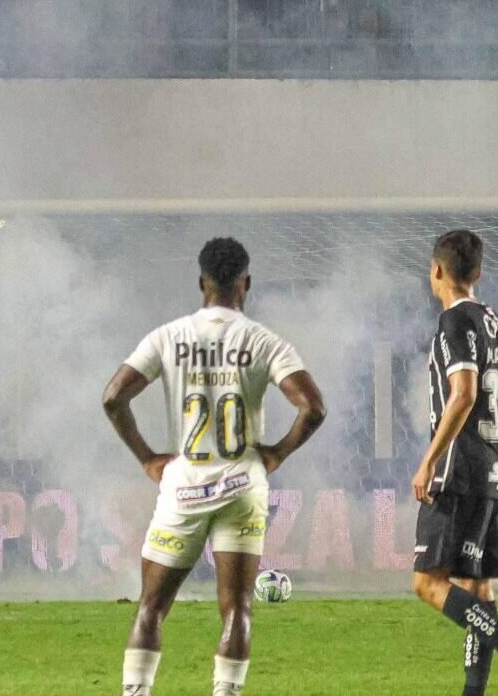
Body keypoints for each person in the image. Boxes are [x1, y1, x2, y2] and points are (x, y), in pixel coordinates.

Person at [101, 235, 326, 696]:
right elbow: (313, 407)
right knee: (238, 608)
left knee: (151, 607)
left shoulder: (168, 336)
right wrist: (278, 452)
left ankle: (136, 692)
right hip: (243, 485)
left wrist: (147, 458)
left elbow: (113, 397)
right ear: (246, 283)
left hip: (182, 487)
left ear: (201, 281)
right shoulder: (264, 341)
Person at [411, 229, 498, 696]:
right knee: (478, 589)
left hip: (461, 470)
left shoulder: (455, 323)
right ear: (479, 272)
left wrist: (429, 461)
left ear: (436, 271)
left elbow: (464, 394)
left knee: (427, 584)